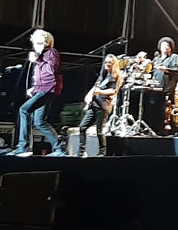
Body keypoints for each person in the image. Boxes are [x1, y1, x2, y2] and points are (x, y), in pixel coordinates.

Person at [10, 29, 66, 157]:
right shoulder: (41, 56)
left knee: (24, 110)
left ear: (46, 43)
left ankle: (23, 147)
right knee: (39, 121)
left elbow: (50, 70)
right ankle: (60, 148)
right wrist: (34, 88)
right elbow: (40, 77)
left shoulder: (51, 53)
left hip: (49, 89)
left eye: (39, 43)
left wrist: (37, 60)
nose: (36, 46)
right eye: (35, 43)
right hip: (43, 89)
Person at [76, 54, 124, 157]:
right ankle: (81, 152)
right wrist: (89, 95)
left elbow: (113, 91)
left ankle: (102, 153)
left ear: (114, 64)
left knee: (99, 131)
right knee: (82, 127)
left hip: (103, 106)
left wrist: (99, 92)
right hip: (94, 104)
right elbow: (96, 86)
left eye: (109, 63)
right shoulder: (103, 74)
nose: (107, 64)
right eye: (106, 62)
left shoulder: (116, 77)